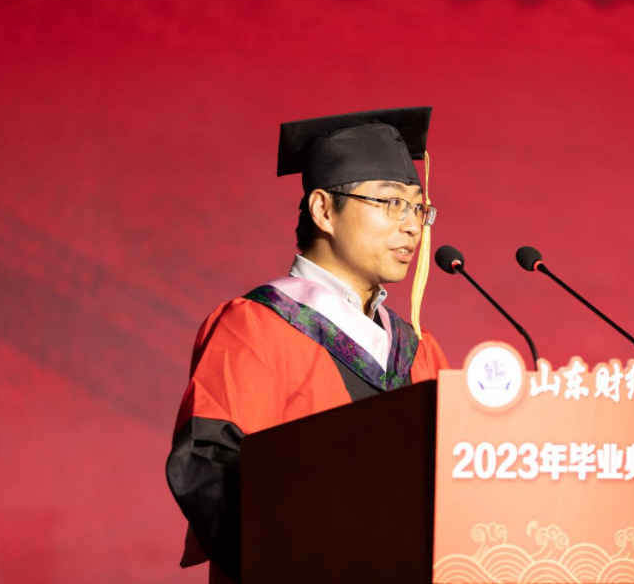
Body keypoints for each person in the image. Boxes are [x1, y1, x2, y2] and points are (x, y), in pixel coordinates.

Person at [165, 107, 450, 583]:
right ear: (323, 210)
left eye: (418, 208)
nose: (412, 227)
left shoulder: (419, 351)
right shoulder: (256, 326)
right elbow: (209, 470)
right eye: (390, 203)